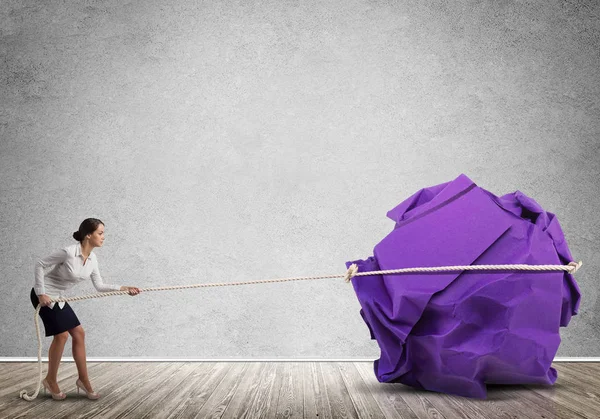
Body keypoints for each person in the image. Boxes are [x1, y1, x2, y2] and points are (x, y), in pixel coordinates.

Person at [30, 218, 141, 400]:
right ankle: (50, 380)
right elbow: (40, 264)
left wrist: (124, 288)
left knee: (79, 333)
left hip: (59, 297)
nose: (103, 237)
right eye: (100, 233)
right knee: (62, 335)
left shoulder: (92, 259)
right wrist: (41, 293)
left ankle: (83, 380)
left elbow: (100, 285)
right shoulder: (68, 252)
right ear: (88, 235)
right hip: (43, 296)